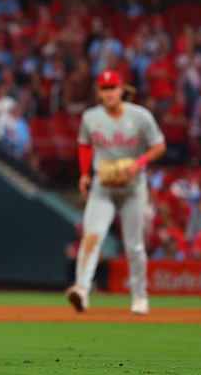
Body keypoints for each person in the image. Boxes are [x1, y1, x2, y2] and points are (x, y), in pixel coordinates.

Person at [66, 70, 166, 315]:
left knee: (134, 245)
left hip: (133, 187)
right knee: (92, 237)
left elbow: (159, 146)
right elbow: (85, 143)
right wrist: (84, 174)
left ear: (122, 90)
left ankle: (140, 297)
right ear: (99, 93)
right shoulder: (91, 117)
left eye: (112, 88)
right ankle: (81, 289)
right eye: (104, 88)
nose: (109, 92)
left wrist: (138, 162)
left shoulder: (140, 116)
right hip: (104, 186)